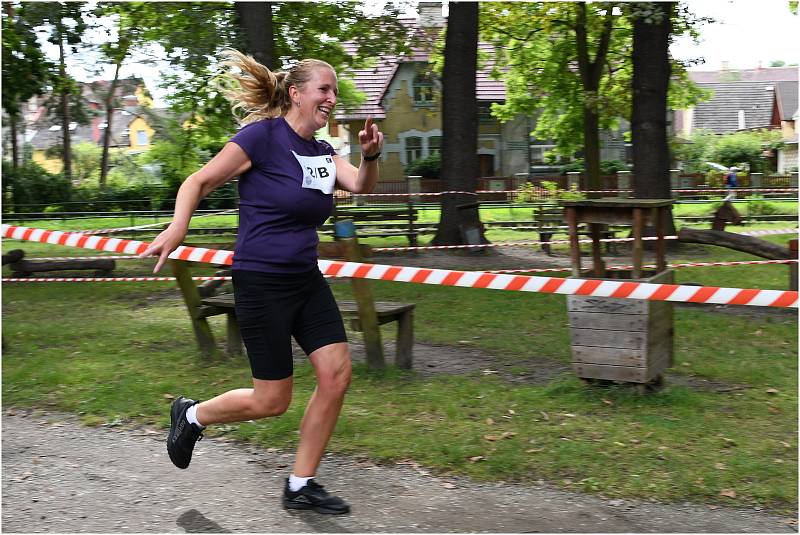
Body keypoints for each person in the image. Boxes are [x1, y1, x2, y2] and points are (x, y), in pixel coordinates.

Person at [139, 49, 383, 515]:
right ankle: (191, 415)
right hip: (261, 281)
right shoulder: (262, 138)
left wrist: (371, 155)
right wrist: (177, 227)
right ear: (296, 94)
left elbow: (361, 184)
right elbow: (197, 181)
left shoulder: (323, 151)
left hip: (305, 280)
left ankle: (300, 484)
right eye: (324, 89)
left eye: (334, 90)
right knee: (272, 400)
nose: (331, 98)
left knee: (336, 376)